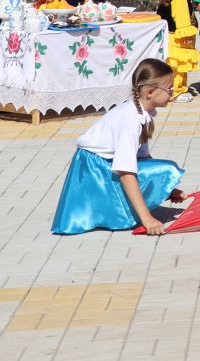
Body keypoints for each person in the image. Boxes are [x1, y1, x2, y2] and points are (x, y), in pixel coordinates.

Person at [50, 58, 187, 235]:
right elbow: (125, 172)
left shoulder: (141, 113)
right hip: (94, 171)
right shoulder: (130, 120)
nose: (172, 91)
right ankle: (123, 211)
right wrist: (147, 218)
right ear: (151, 92)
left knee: (164, 170)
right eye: (169, 88)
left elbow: (143, 160)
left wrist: (166, 189)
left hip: (103, 165)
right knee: (168, 169)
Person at [156, 0, 200, 101]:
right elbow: (182, 20)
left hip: (169, 34)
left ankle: (173, 88)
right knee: (178, 65)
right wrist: (187, 37)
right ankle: (177, 91)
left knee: (173, 64)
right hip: (177, 37)